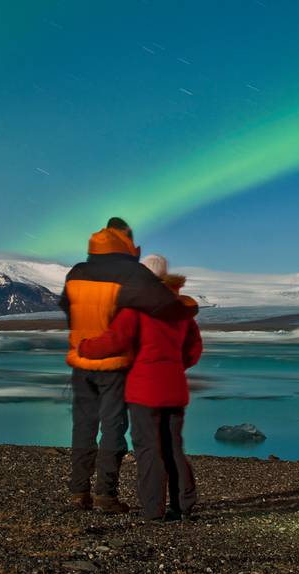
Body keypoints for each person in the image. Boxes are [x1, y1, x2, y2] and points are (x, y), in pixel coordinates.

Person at [61, 218, 193, 514]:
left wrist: (82, 342)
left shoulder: (76, 272)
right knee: (113, 428)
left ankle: (77, 491)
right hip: (116, 366)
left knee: (82, 426)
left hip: (82, 363)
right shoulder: (131, 277)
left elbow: (67, 307)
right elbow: (159, 313)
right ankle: (105, 495)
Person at [78, 256, 202, 522]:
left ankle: (152, 510)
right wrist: (174, 368)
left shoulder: (137, 308)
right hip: (174, 388)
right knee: (173, 447)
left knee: (148, 449)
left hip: (145, 389)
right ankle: (184, 505)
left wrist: (85, 347)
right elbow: (194, 350)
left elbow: (114, 341)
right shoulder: (181, 311)